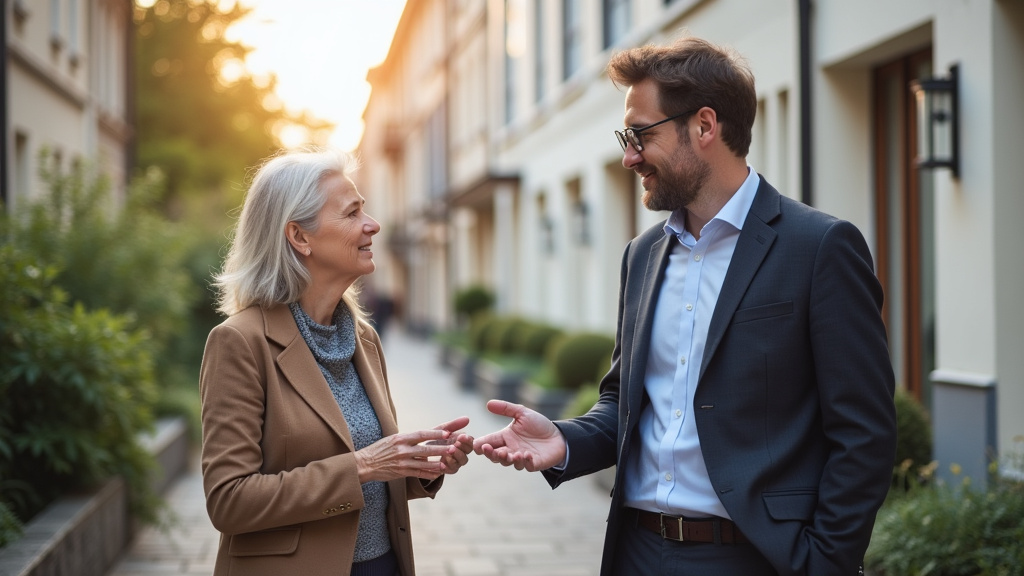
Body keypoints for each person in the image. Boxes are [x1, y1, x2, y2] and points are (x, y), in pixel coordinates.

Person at [473, 36, 897, 576]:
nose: (628, 156)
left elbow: (865, 432)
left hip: (758, 558)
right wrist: (564, 438)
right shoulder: (642, 255)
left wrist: (824, 563)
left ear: (704, 126)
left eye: (639, 135)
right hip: (638, 552)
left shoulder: (819, 248)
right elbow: (626, 402)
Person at [200, 147, 473, 576]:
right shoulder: (238, 343)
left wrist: (420, 466)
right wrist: (364, 465)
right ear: (300, 237)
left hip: (383, 564)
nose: (373, 224)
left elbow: (373, 473)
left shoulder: (363, 338)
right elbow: (229, 500)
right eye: (351, 213)